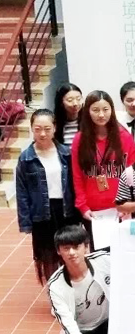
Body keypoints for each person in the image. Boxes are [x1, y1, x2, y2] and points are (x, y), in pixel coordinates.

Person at [47, 225, 135, 334]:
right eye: (66, 248)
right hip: (83, 328)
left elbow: (134, 267)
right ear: (58, 251)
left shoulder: (105, 260)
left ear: (86, 247)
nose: (72, 252)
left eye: (76, 247)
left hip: (109, 321)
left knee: (129, 330)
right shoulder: (55, 286)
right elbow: (69, 326)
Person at [16, 109, 79, 284]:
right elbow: (22, 192)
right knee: (48, 256)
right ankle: (55, 292)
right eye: (37, 129)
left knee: (70, 253)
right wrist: (25, 222)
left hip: (66, 211)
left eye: (47, 128)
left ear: (54, 128)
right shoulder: (26, 158)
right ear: (32, 129)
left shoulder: (66, 153)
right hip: (41, 213)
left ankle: (73, 288)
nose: (42, 134)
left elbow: (76, 184)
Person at [71, 90, 135, 245]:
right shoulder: (79, 140)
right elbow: (77, 176)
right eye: (95, 110)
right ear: (87, 112)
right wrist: (82, 206)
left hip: (120, 208)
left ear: (112, 110)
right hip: (93, 211)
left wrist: (129, 205)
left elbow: (133, 174)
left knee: (123, 250)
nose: (101, 114)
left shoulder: (124, 137)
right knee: (99, 253)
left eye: (105, 109)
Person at [53, 83, 82, 147]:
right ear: (61, 102)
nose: (75, 103)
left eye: (78, 99)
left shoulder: (89, 121)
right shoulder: (54, 124)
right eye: (70, 100)